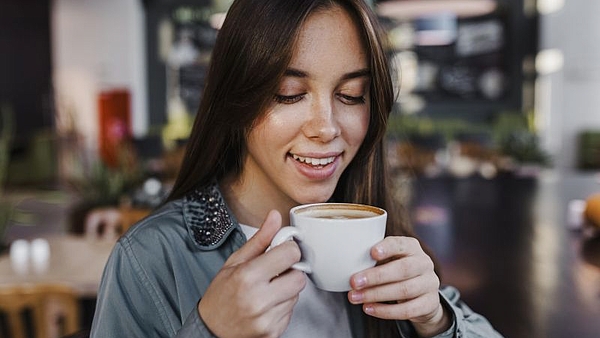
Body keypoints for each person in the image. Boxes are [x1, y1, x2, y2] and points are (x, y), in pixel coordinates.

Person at [91, 0, 503, 337]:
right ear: (236, 98)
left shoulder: (373, 225)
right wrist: (209, 331)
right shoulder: (150, 258)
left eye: (351, 95)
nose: (325, 128)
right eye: (289, 94)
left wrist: (438, 321)